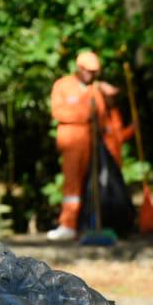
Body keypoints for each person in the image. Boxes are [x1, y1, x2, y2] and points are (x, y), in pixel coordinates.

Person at [48, 51, 107, 241]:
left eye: (94, 71)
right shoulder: (63, 85)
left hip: (90, 143)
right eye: (88, 71)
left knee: (89, 185)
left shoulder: (94, 90)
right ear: (79, 68)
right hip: (71, 141)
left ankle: (85, 224)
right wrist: (84, 114)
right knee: (71, 185)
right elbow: (58, 112)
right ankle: (68, 224)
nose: (91, 74)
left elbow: (101, 115)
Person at [99, 84, 135, 169]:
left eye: (114, 96)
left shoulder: (115, 113)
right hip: (102, 161)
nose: (113, 99)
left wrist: (132, 129)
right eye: (110, 96)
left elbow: (120, 137)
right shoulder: (97, 117)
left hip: (116, 160)